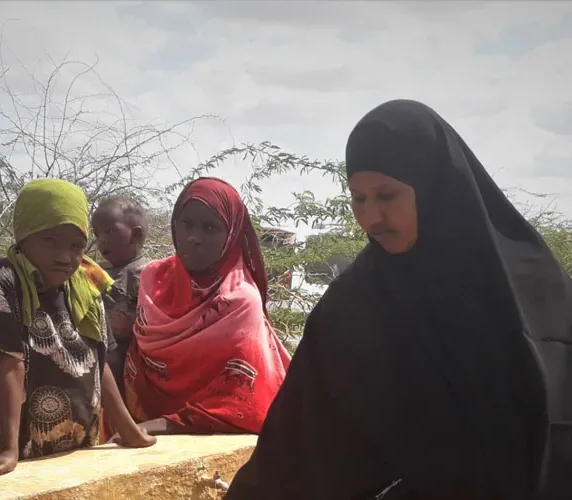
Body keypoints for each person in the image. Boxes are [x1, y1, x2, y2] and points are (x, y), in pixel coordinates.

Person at [226, 99, 572, 500]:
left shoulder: (534, 291)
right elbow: (291, 449)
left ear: (433, 188)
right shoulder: (352, 306)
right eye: (358, 198)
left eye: (387, 196)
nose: (371, 218)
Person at [0, 179, 156, 478]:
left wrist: (127, 429)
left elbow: (100, 361)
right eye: (50, 241)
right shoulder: (7, 276)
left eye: (76, 246)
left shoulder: (86, 281)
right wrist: (9, 449)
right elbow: (10, 359)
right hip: (22, 445)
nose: (65, 257)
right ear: (24, 236)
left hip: (80, 442)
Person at [114, 177, 291, 440]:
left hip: (194, 434)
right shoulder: (153, 279)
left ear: (231, 234)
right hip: (132, 423)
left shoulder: (239, 300)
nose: (194, 237)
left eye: (211, 227)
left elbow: (239, 397)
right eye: (186, 224)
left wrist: (163, 424)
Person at [91, 195, 149, 397]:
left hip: (132, 360)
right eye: (97, 234)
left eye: (109, 231)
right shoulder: (95, 271)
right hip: (100, 355)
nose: (101, 239)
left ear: (135, 235)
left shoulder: (145, 273)